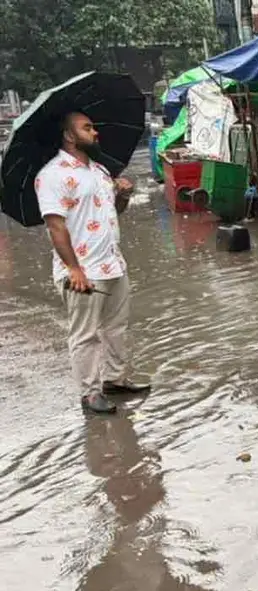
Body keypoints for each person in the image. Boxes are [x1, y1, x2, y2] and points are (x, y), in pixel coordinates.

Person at [36, 112, 150, 414]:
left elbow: (111, 213)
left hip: (112, 263)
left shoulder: (99, 170)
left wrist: (123, 195)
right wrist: (73, 269)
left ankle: (114, 380)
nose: (95, 132)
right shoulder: (52, 175)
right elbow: (55, 226)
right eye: (87, 128)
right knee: (85, 334)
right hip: (82, 270)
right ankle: (89, 393)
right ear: (69, 136)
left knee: (116, 327)